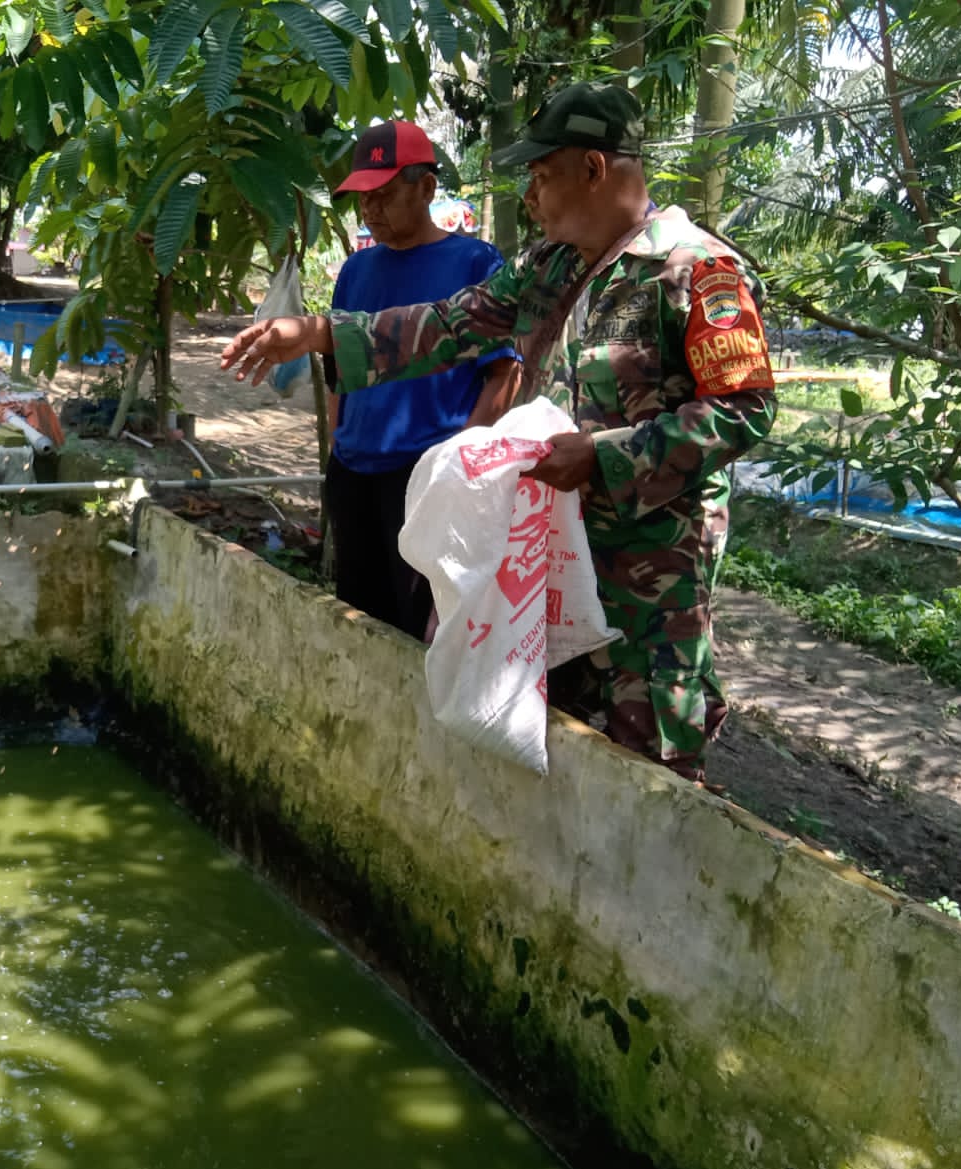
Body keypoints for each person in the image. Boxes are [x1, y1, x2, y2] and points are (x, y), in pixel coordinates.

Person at [219, 82, 777, 783]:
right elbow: (452, 324)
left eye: (543, 177)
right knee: (540, 742)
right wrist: (318, 333)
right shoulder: (552, 267)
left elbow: (744, 408)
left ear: (594, 169)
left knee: (650, 764)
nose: (533, 198)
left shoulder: (697, 271)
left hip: (649, 579)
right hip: (550, 557)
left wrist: (605, 457)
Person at [324, 121, 519, 637]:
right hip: (353, 470)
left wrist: (459, 468)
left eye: (385, 195)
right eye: (363, 200)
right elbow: (339, 374)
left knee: (422, 626)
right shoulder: (356, 270)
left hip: (426, 474)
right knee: (359, 617)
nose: (372, 210)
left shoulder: (475, 261)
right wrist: (336, 446)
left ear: (427, 188)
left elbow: (503, 375)